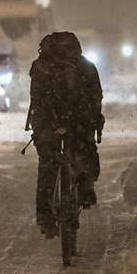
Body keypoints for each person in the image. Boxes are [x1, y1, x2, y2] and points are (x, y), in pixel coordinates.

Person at [26, 31, 105, 238]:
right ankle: (85, 188)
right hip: (78, 121)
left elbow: (36, 101)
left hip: (48, 122)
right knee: (85, 151)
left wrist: (42, 126)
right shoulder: (86, 67)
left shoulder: (41, 67)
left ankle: (45, 218)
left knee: (47, 166)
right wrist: (93, 121)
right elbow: (96, 97)